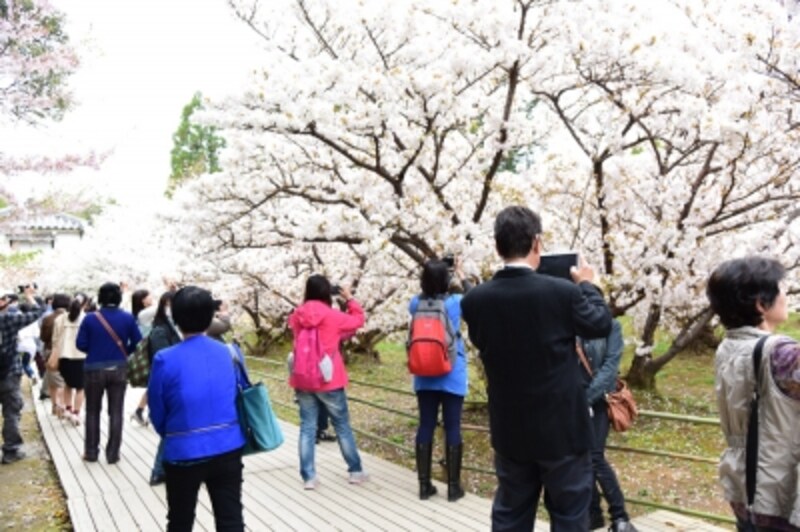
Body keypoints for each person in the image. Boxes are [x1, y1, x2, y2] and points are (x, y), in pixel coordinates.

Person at [460, 205, 612, 531]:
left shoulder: (474, 301)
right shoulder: (564, 293)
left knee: (511, 514)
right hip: (563, 430)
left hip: (511, 428)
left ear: (498, 246)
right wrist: (588, 285)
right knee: (570, 515)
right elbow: (599, 324)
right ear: (537, 243)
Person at [706, 256, 800, 531]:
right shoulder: (783, 355)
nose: (786, 294)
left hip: (742, 484)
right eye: (781, 288)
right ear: (760, 303)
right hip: (779, 489)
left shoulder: (727, 347)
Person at [148, 286, 245, 531]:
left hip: (183, 449)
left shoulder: (165, 359)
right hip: (228, 445)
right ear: (210, 316)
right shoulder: (230, 353)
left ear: (176, 319)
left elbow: (157, 410)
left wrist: (171, 435)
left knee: (180, 521)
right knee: (231, 519)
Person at [287, 274, 368, 490]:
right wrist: (349, 298)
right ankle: (355, 471)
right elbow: (359, 319)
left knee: (307, 427)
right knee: (341, 426)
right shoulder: (332, 316)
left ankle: (309, 477)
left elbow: (302, 334)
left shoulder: (297, 316)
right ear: (326, 292)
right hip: (329, 379)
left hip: (303, 378)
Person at [409, 257, 472, 502]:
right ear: (447, 279)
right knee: (452, 426)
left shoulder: (415, 303)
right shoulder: (457, 302)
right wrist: (462, 274)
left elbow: (422, 299)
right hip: (452, 372)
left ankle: (424, 486)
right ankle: (453, 488)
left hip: (424, 374)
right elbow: (475, 297)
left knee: (425, 425)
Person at [577, 319, 637, 531]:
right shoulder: (567, 322)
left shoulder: (610, 327)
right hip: (569, 402)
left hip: (598, 401)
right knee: (580, 459)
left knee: (594, 457)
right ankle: (593, 514)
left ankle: (620, 517)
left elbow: (611, 367)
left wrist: (587, 398)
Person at [76, 282, 141, 464]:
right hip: (119, 368)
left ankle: (91, 452)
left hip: (94, 369)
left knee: (92, 411)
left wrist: (95, 349)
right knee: (116, 411)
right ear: (119, 297)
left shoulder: (90, 318)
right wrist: (124, 352)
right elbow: (138, 341)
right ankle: (113, 454)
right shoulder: (127, 318)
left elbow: (80, 344)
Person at [139, 290, 180, 485]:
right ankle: (159, 470)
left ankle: (164, 469)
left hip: (179, 383)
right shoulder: (160, 331)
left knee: (177, 426)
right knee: (173, 427)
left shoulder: (179, 328)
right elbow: (163, 359)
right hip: (170, 385)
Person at [0, 286, 44, 464]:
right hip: (9, 371)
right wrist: (29, 296)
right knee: (11, 411)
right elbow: (36, 312)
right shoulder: (9, 320)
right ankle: (11, 450)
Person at [52, 294, 89, 427]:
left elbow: (55, 339)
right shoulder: (87, 319)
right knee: (81, 387)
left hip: (64, 356)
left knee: (68, 383)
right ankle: (76, 413)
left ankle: (67, 409)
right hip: (81, 356)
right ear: (85, 304)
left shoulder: (60, 319)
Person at [40, 293, 70, 418]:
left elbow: (43, 337)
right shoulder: (70, 317)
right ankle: (62, 406)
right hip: (66, 351)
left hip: (50, 351)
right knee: (64, 381)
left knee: (52, 380)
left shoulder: (48, 318)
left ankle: (54, 405)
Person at [131, 288, 156, 427]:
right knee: (155, 383)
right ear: (143, 300)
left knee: (154, 383)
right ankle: (141, 412)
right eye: (149, 296)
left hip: (147, 352)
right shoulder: (144, 314)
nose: (152, 297)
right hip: (149, 352)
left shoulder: (139, 315)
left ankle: (140, 411)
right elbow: (164, 306)